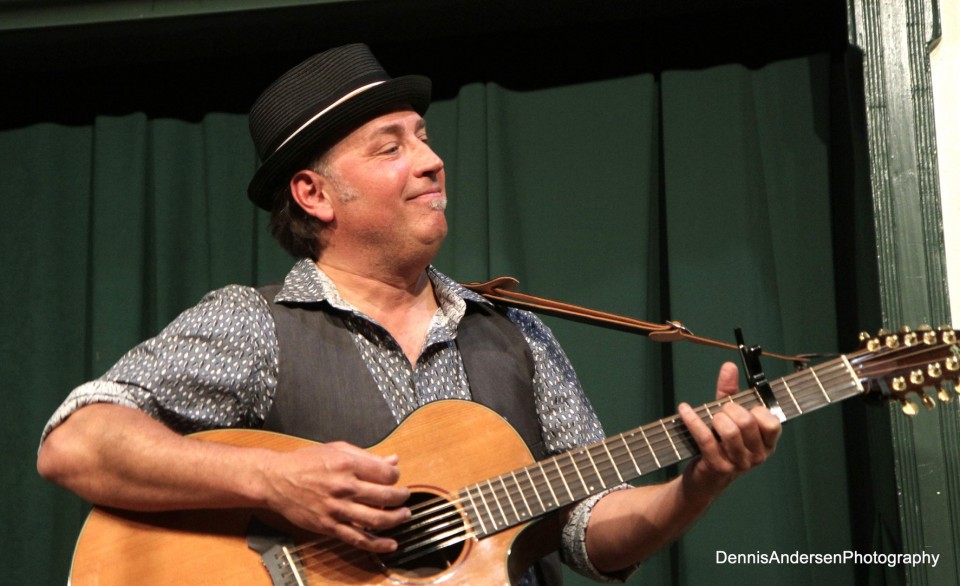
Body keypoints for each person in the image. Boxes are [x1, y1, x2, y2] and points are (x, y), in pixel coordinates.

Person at [37, 43, 781, 584]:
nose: (430, 160)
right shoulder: (254, 324)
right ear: (314, 195)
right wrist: (270, 479)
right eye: (389, 147)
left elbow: (587, 530)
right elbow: (75, 443)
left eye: (423, 137)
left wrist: (697, 484)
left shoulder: (514, 334)